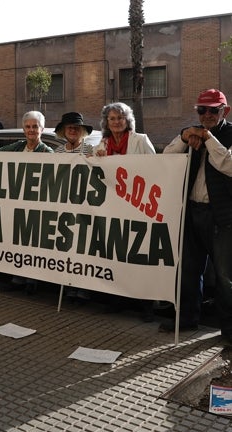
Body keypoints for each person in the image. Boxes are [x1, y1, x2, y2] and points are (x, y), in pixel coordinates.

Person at [162, 89, 232, 338]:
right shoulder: (191, 132)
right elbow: (166, 159)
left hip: (222, 217)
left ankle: (229, 331)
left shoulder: (228, 133)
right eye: (202, 110)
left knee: (225, 276)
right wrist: (183, 136)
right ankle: (187, 319)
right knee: (188, 270)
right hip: (191, 211)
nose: (207, 115)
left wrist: (208, 138)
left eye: (214, 110)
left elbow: (228, 165)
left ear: (225, 111)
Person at [0, 111, 53, 293]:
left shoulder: (47, 153)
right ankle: (17, 278)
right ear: (23, 129)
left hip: (35, 207)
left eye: (35, 126)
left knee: (33, 244)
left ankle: (32, 282)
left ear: (41, 129)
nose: (31, 130)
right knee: (17, 242)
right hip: (15, 206)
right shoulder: (18, 146)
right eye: (28, 126)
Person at [94, 102, 156, 320]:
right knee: (116, 255)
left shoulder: (140, 140)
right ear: (106, 122)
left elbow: (156, 169)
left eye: (120, 118)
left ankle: (146, 305)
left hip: (137, 206)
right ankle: (117, 300)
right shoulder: (102, 143)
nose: (117, 122)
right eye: (112, 118)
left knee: (138, 256)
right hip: (112, 208)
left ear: (128, 120)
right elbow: (94, 174)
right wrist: (97, 159)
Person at [54, 112, 94, 301]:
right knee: (65, 246)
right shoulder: (58, 152)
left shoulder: (90, 150)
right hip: (63, 206)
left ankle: (83, 287)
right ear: (64, 131)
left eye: (76, 128)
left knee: (82, 248)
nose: (72, 130)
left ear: (82, 131)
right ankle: (67, 285)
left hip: (85, 206)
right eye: (69, 127)